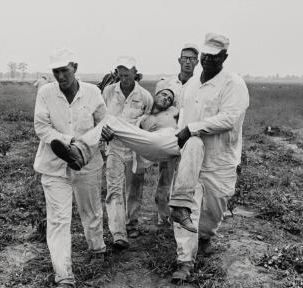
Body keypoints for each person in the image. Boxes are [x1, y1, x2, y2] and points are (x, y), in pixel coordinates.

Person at [50, 88, 198, 233]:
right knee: (110, 121)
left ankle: (80, 151)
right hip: (150, 145)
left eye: (169, 99)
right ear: (155, 95)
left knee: (165, 186)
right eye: (163, 95)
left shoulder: (173, 112)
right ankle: (80, 152)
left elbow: (188, 116)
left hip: (171, 140)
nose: (166, 99)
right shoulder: (143, 116)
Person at [169, 33, 250, 283]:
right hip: (192, 158)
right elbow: (183, 116)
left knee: (214, 210)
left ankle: (205, 235)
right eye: (206, 55)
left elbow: (229, 119)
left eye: (215, 57)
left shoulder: (233, 84)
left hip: (220, 159)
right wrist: (180, 139)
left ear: (224, 56)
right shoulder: (192, 84)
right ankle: (184, 260)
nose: (208, 60)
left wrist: (193, 129)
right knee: (185, 203)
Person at [33, 48, 107, 288]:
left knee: (91, 209)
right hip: (54, 165)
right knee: (58, 220)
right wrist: (69, 141)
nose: (60, 76)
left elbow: (103, 123)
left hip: (87, 161)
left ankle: (97, 249)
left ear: (75, 67)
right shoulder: (46, 93)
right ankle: (64, 277)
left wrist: (103, 134)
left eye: (64, 70)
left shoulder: (93, 92)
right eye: (56, 71)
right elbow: (42, 127)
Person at [102, 56, 153, 246]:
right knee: (114, 189)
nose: (124, 78)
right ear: (117, 73)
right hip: (114, 146)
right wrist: (104, 133)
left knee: (134, 188)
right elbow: (100, 116)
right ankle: (118, 232)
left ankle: (131, 223)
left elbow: (149, 121)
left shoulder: (145, 96)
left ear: (135, 73)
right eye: (121, 75)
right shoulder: (108, 92)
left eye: (128, 74)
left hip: (135, 149)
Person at [154, 43, 199, 225]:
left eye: (192, 59)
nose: (188, 62)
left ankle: (181, 215)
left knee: (186, 177)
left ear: (197, 62)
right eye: (185, 58)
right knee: (165, 175)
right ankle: (162, 216)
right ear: (179, 60)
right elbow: (157, 107)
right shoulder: (166, 83)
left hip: (188, 136)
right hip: (169, 136)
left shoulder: (199, 84)